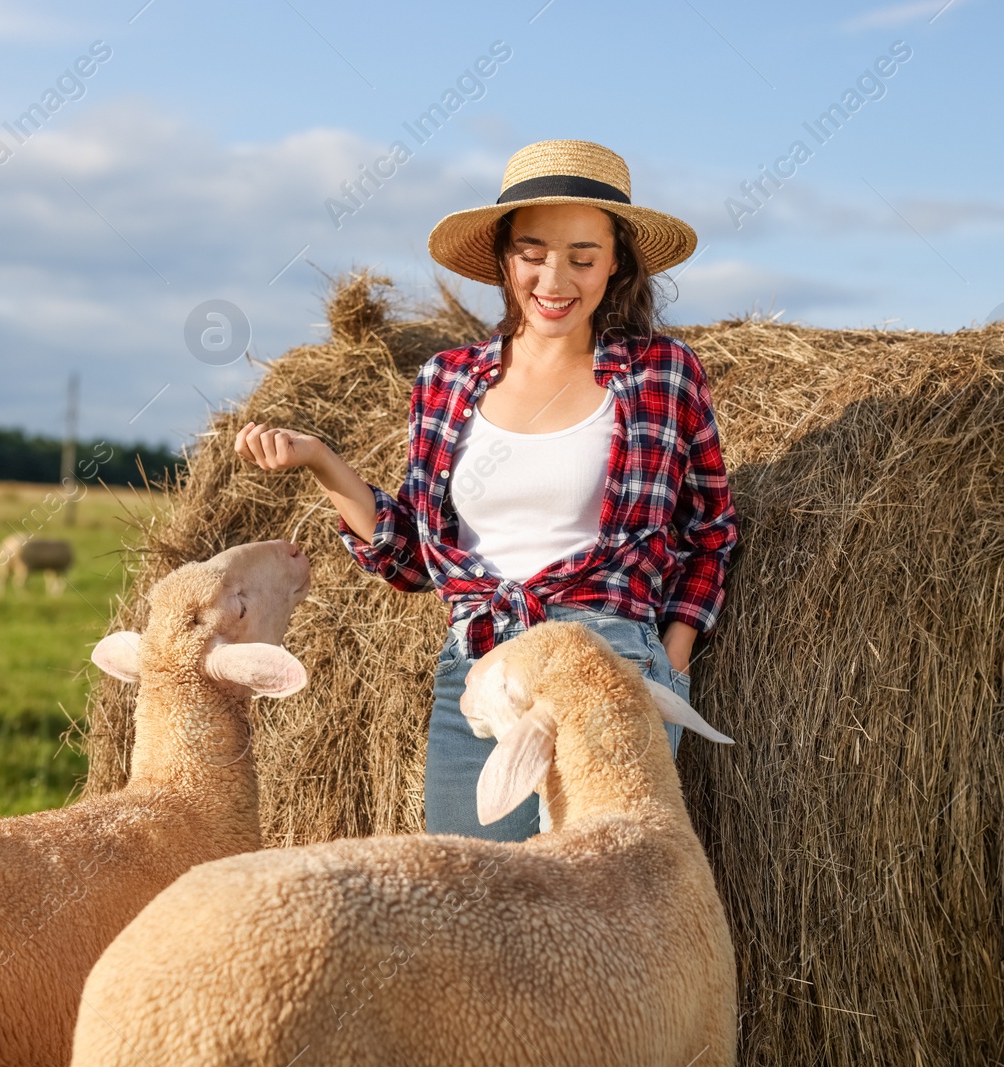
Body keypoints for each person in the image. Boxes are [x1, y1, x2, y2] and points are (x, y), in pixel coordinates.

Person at [234, 139, 738, 841]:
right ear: (505, 257)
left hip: (607, 672)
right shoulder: (446, 381)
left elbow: (709, 533)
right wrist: (321, 461)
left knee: (599, 924)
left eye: (583, 256)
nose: (554, 278)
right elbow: (411, 556)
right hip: (476, 677)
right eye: (533, 252)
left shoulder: (663, 374)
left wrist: (671, 660)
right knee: (475, 920)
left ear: (616, 260)